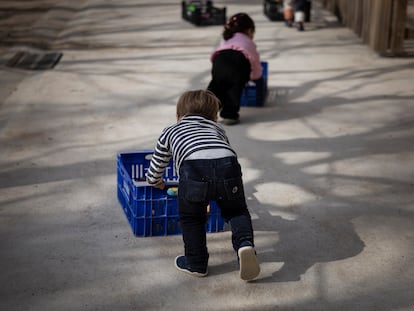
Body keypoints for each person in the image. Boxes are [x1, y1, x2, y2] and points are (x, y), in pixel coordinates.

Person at [146, 90, 260, 281]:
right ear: (214, 116)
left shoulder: (170, 131)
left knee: (192, 218)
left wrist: (156, 181)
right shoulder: (218, 129)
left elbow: (157, 164)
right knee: (236, 211)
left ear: (178, 115)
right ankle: (244, 244)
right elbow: (224, 152)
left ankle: (196, 263)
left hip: (194, 171)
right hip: (228, 167)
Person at [207, 13, 262, 125]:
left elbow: (219, 51)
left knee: (216, 86)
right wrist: (255, 75)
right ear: (249, 30)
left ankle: (204, 112)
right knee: (234, 88)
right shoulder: (249, 42)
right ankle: (229, 115)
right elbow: (255, 61)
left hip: (219, 60)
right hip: (238, 62)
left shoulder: (227, 38)